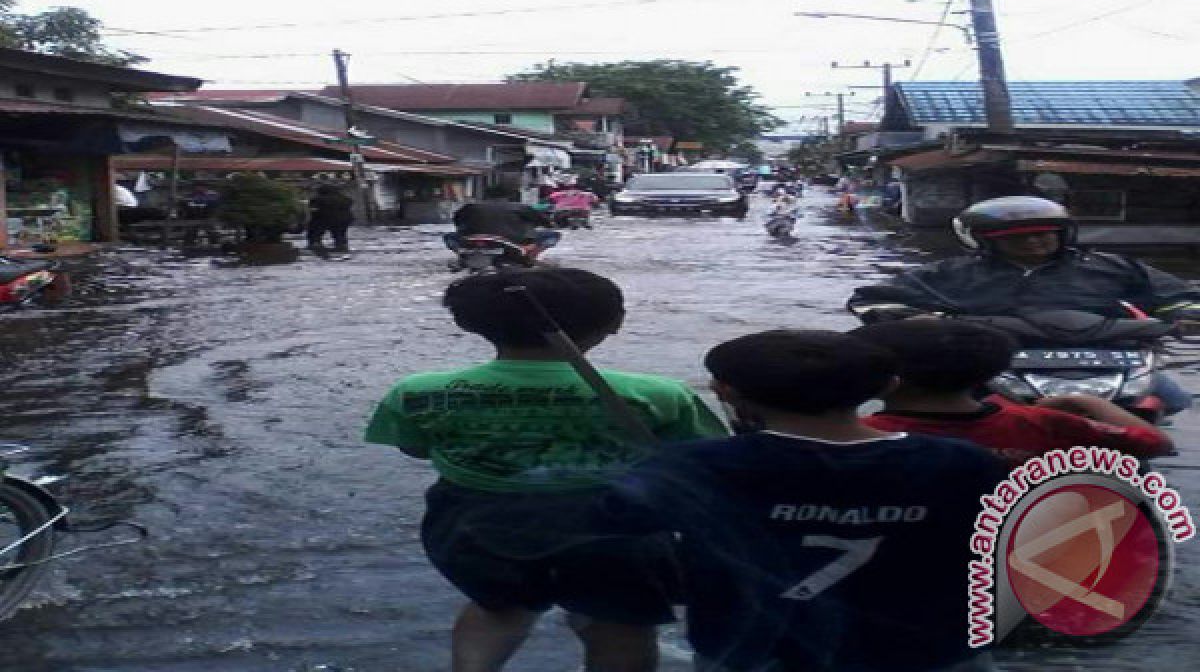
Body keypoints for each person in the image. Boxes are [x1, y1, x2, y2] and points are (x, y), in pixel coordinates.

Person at [365, 268, 729, 672]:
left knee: (496, 610)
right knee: (620, 624)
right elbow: (700, 457)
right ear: (613, 325)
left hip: (476, 525)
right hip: (618, 530)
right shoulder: (656, 394)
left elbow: (414, 448)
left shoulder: (420, 392)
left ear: (472, 323)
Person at [597, 330, 1006, 672]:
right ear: (888, 387)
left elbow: (621, 531)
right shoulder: (960, 461)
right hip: (932, 651)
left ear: (726, 392)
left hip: (754, 651)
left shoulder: (695, 466)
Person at [848, 196, 1200, 412]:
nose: (1035, 241)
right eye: (1019, 237)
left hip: (1108, 356)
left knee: (1174, 402)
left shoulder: (1112, 265)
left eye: (1044, 233)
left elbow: (1179, 294)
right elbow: (872, 298)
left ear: (1063, 233)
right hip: (992, 361)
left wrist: (1185, 315)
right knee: (928, 409)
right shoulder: (952, 271)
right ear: (984, 241)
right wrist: (920, 320)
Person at [851, 319, 1174, 467]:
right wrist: (1084, 402)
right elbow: (1155, 444)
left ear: (889, 381)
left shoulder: (859, 435)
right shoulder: (1041, 423)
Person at [450, 200, 560, 260]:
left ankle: (462, 255)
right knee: (553, 235)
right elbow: (546, 223)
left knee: (449, 236)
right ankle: (529, 255)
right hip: (512, 242)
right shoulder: (521, 207)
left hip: (472, 241)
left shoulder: (470, 207)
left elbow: (457, 220)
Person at [307, 184, 354, 252]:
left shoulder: (317, 199)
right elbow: (349, 205)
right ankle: (341, 245)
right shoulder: (345, 199)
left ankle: (315, 244)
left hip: (324, 219)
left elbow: (313, 211)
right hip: (344, 220)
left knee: (315, 233)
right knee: (340, 233)